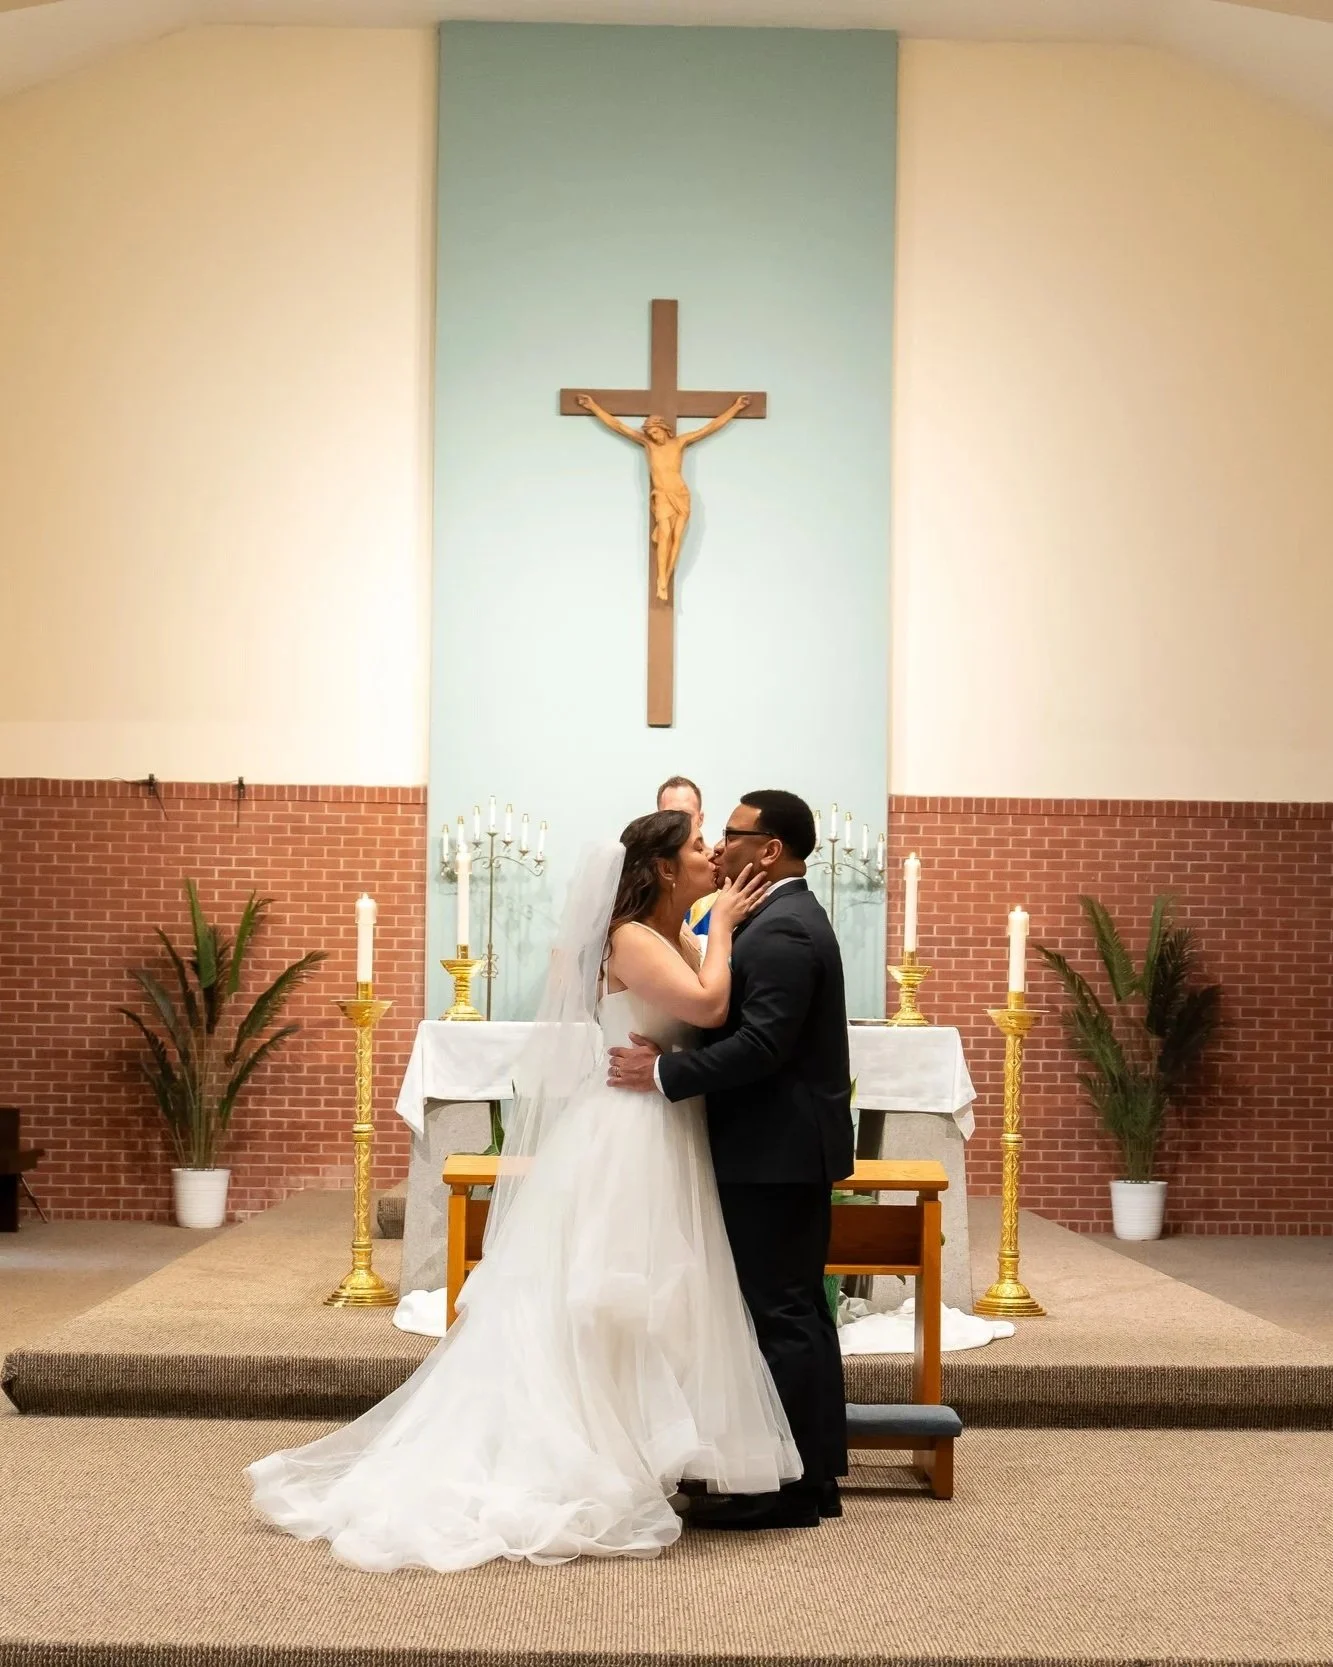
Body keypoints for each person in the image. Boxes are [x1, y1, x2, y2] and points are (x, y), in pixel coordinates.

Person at [246, 811, 797, 1571]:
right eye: (697, 847)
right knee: (608, 1293)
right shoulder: (632, 936)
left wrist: (712, 932)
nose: (710, 855)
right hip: (627, 1132)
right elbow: (705, 1007)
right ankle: (590, 1451)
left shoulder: (676, 935)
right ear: (666, 868)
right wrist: (726, 924)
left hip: (668, 1127)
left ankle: (639, 1449)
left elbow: (714, 1002)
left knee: (658, 1296)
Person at [608, 790, 854, 1531]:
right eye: (705, 840)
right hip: (767, 1146)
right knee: (793, 1310)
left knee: (780, 1313)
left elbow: (757, 1044)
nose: (718, 848)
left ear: (768, 849)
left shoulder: (782, 931)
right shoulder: (768, 920)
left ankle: (789, 1487)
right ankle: (808, 1475)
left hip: (771, 1150)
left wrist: (662, 1073)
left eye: (732, 835)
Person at [656, 775, 715, 936]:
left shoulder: (718, 870)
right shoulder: (646, 871)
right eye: (670, 815)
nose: (678, 824)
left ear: (700, 818)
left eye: (685, 816)